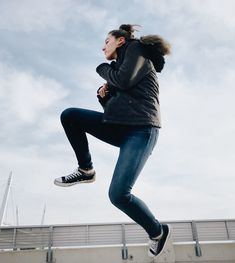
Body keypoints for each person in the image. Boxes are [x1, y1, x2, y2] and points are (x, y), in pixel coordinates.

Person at [54, 24, 171, 258]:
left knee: (118, 195)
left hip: (142, 131)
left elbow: (124, 80)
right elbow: (114, 108)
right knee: (71, 115)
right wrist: (104, 98)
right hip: (121, 127)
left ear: (120, 41)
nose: (102, 46)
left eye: (106, 41)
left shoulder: (135, 49)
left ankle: (157, 231)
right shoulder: (120, 67)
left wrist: (102, 69)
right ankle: (86, 169)